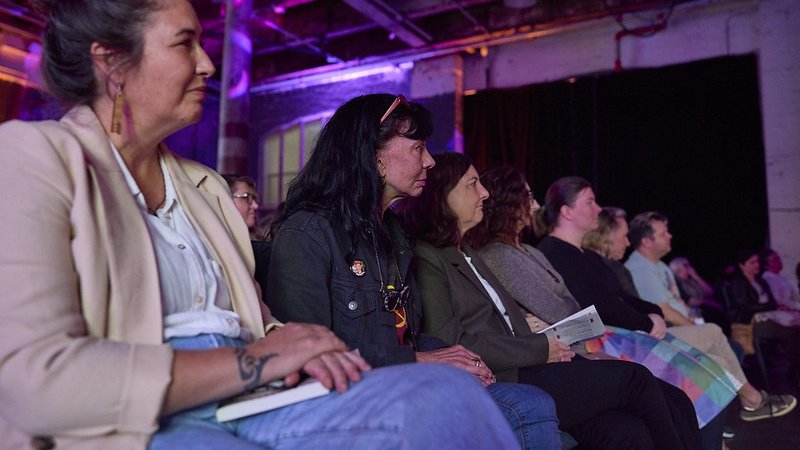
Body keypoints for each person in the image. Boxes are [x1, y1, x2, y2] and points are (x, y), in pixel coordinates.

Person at [0, 3, 521, 448]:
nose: (207, 63)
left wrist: (302, 347)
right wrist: (256, 360)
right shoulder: (34, 157)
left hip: (251, 396)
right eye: (185, 44)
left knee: (447, 398)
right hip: (140, 418)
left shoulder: (201, 186)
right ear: (111, 62)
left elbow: (255, 323)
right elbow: (31, 383)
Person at [264, 94, 560, 449]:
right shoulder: (308, 234)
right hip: (352, 394)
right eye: (418, 147)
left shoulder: (393, 232)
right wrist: (422, 359)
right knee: (519, 408)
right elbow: (307, 354)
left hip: (402, 379)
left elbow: (410, 332)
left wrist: (463, 358)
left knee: (531, 400)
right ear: (374, 156)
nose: (430, 161)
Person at [402, 154, 705, 450]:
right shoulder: (431, 255)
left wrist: (548, 345)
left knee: (629, 431)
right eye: (472, 184)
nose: (483, 193)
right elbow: (448, 342)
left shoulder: (467, 251)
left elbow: (522, 318)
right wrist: (543, 346)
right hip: (509, 372)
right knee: (636, 378)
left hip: (532, 359)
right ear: (443, 196)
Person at [465, 167, 736, 438]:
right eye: (527, 197)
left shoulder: (531, 251)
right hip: (559, 356)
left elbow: (575, 306)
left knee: (676, 398)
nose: (535, 206)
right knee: (655, 394)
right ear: (509, 205)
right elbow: (566, 310)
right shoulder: (501, 256)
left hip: (577, 347)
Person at [534, 179, 796, 423]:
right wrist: (647, 322)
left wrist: (652, 313)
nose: (598, 208)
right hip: (603, 340)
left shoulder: (586, 256)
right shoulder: (553, 253)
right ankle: (746, 404)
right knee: (700, 374)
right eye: (590, 202)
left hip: (621, 331)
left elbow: (620, 298)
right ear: (567, 212)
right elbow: (598, 307)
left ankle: (742, 409)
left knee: (708, 365)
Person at [223, 174, 261, 239]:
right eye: (247, 197)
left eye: (254, 198)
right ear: (226, 199)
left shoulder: (260, 242)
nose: (255, 206)